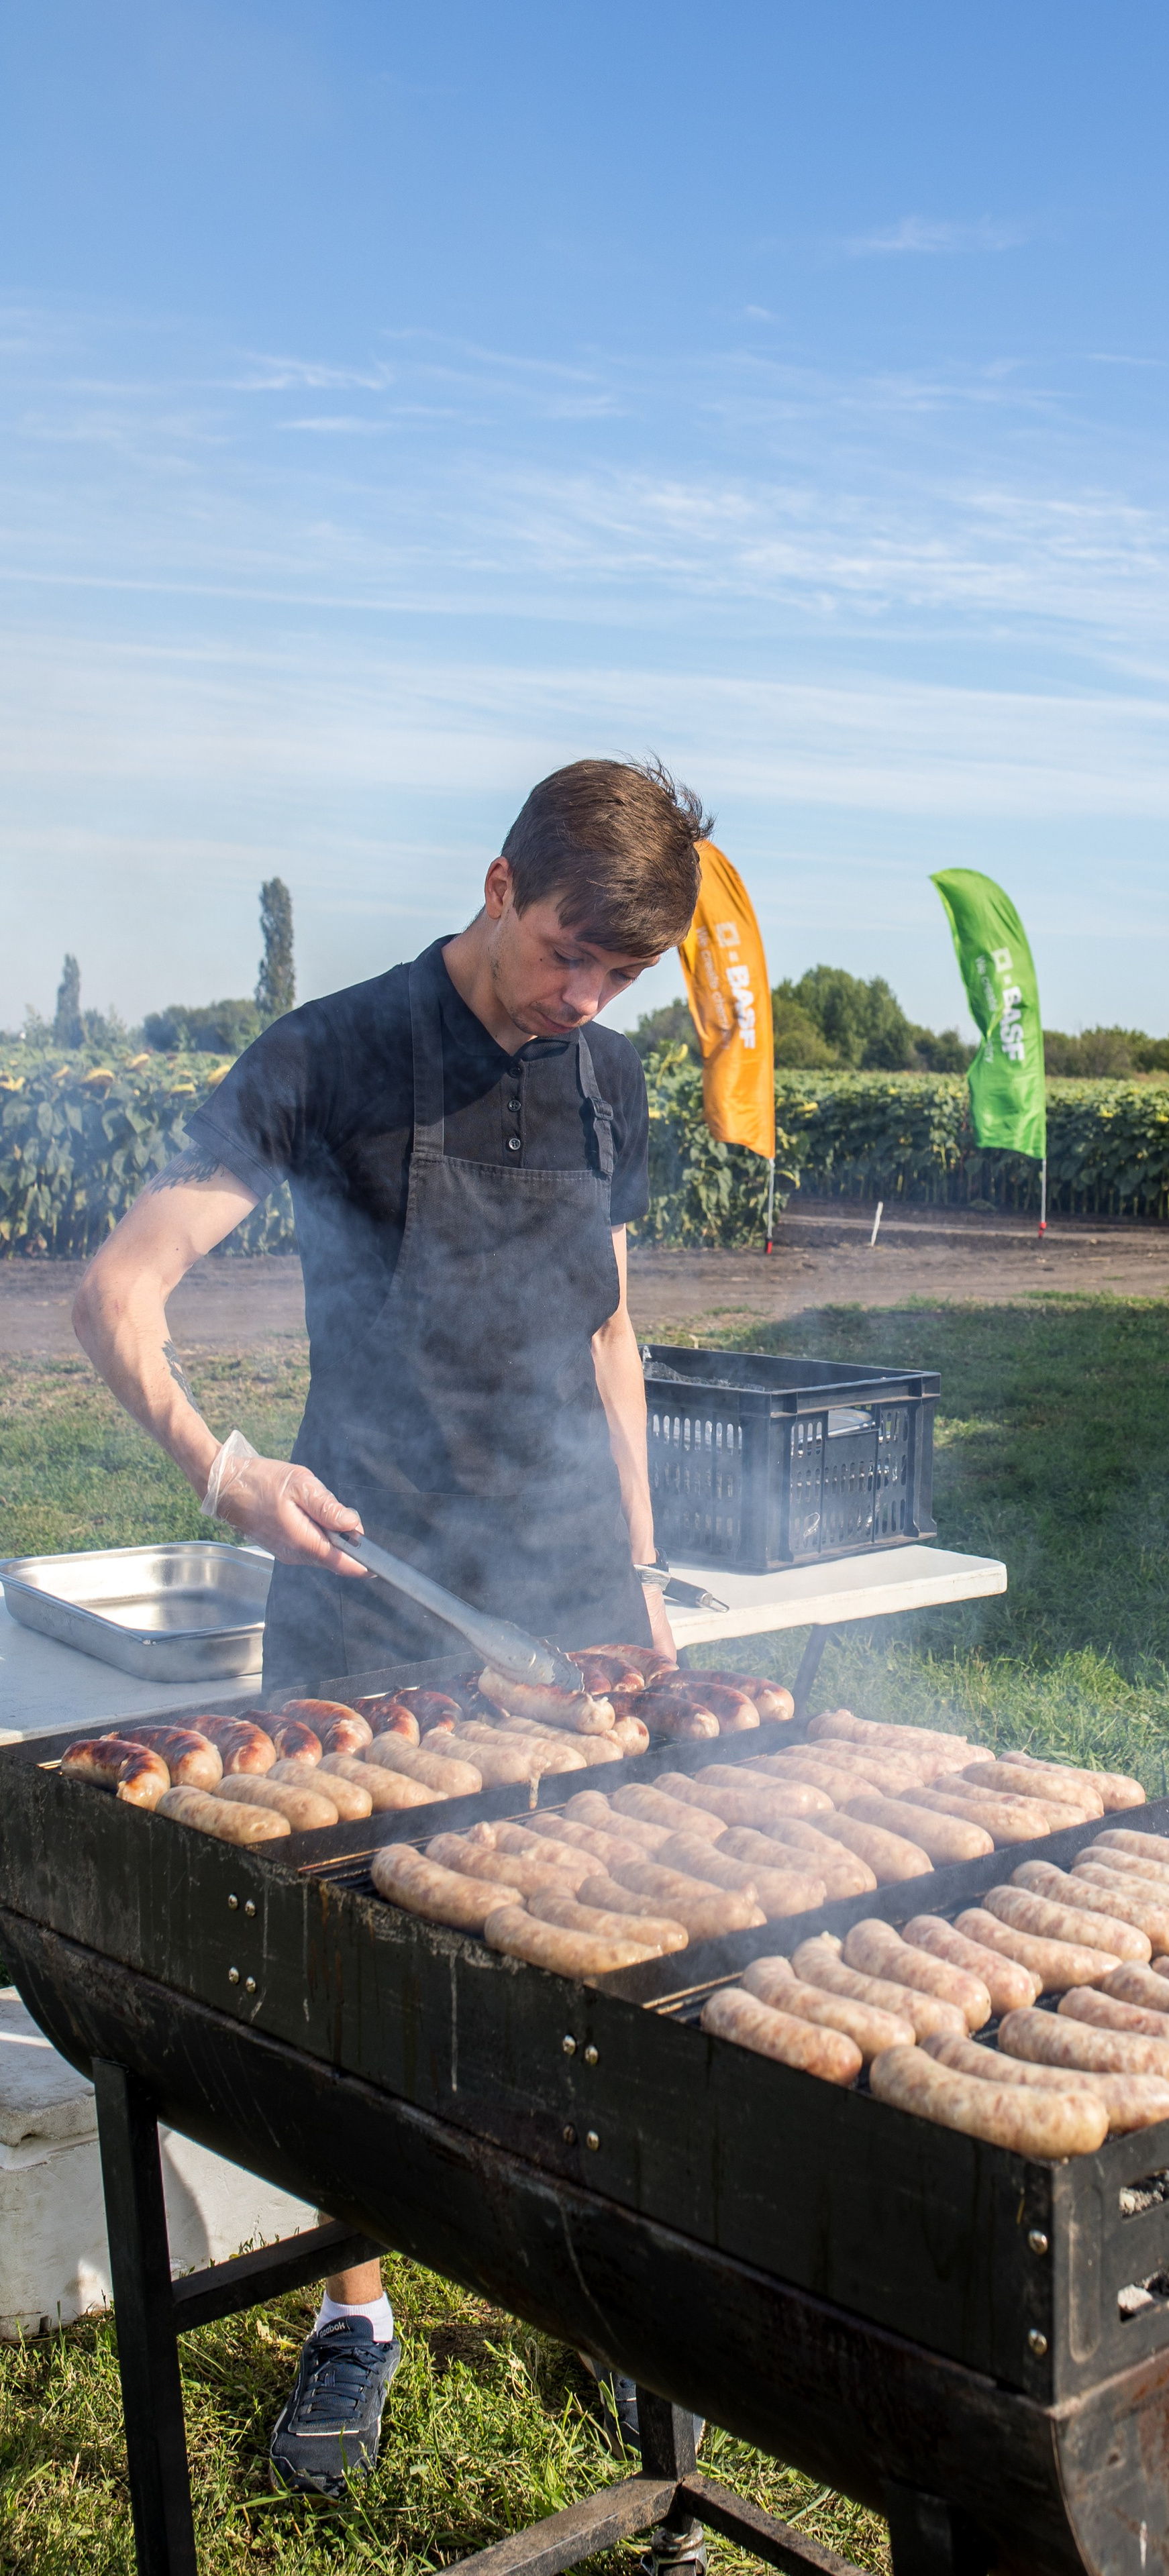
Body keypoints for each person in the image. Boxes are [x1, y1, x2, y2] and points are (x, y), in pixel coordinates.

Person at [73, 755, 706, 2493]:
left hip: (567, 1595)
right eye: (567, 954)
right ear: (498, 884)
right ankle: (359, 2311)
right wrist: (222, 1471)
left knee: (606, 1951)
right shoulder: (326, 1054)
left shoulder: (608, 1074)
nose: (579, 1001)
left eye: (616, 980)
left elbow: (609, 1337)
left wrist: (643, 1588)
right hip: (367, 1601)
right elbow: (116, 1290)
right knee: (355, 1998)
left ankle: (603, 2288)